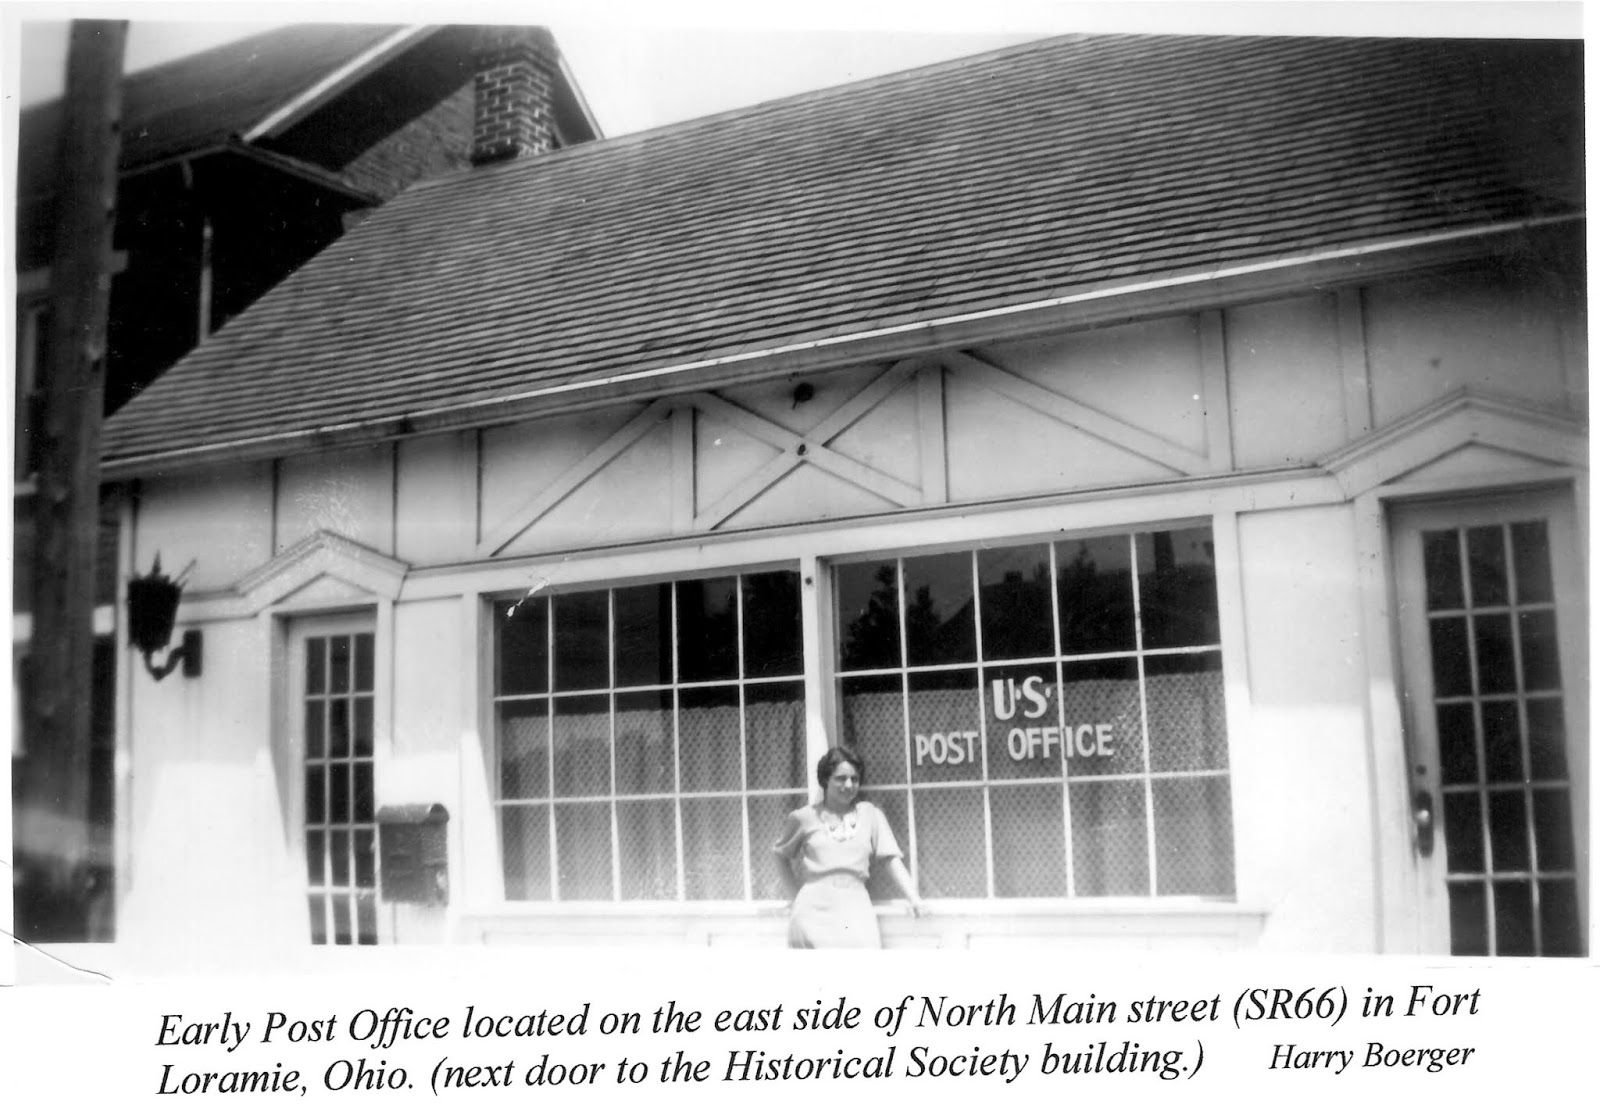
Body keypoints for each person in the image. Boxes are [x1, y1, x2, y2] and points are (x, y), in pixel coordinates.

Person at [772, 746, 924, 948]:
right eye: (840, 778)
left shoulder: (870, 815)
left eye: (855, 779)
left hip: (855, 907)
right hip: (812, 912)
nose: (849, 784)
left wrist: (914, 897)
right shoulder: (804, 817)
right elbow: (780, 855)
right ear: (825, 780)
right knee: (817, 978)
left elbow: (891, 860)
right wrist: (795, 897)